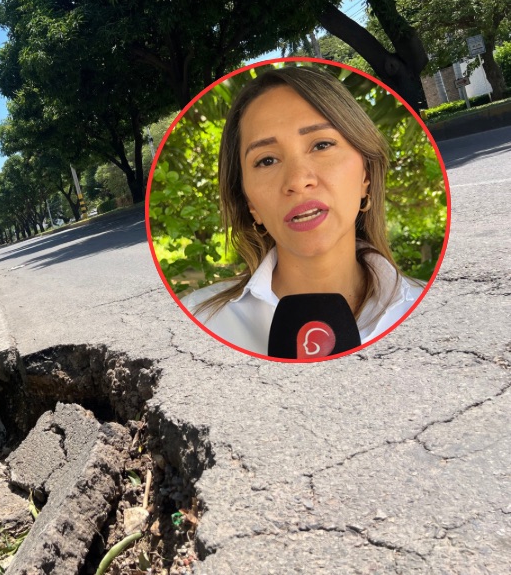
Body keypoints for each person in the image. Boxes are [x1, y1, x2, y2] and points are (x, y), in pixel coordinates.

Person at [181, 65, 423, 356]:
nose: (297, 180)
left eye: (321, 145)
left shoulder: (431, 309)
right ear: (250, 204)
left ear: (366, 176)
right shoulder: (197, 321)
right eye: (267, 160)